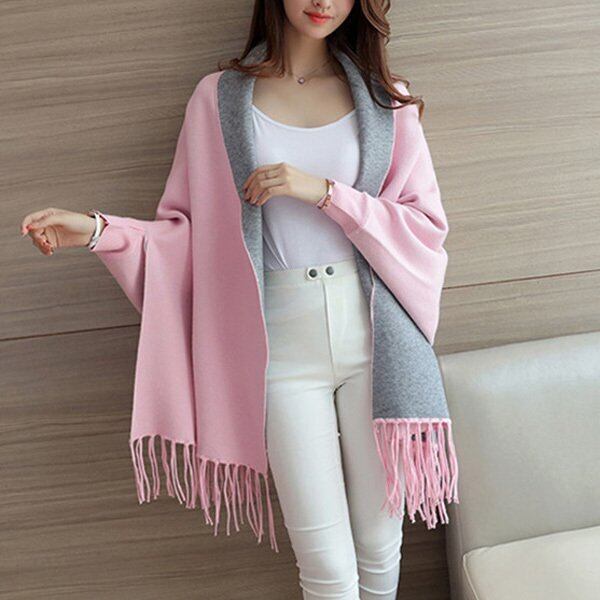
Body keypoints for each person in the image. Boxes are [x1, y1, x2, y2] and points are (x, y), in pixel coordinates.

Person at [20, 1, 455, 598]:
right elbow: (187, 238)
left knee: (381, 548)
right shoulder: (218, 98)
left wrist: (326, 193)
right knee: (327, 566)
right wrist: (99, 232)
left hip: (376, 345)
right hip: (279, 353)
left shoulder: (387, 99)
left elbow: (424, 229)